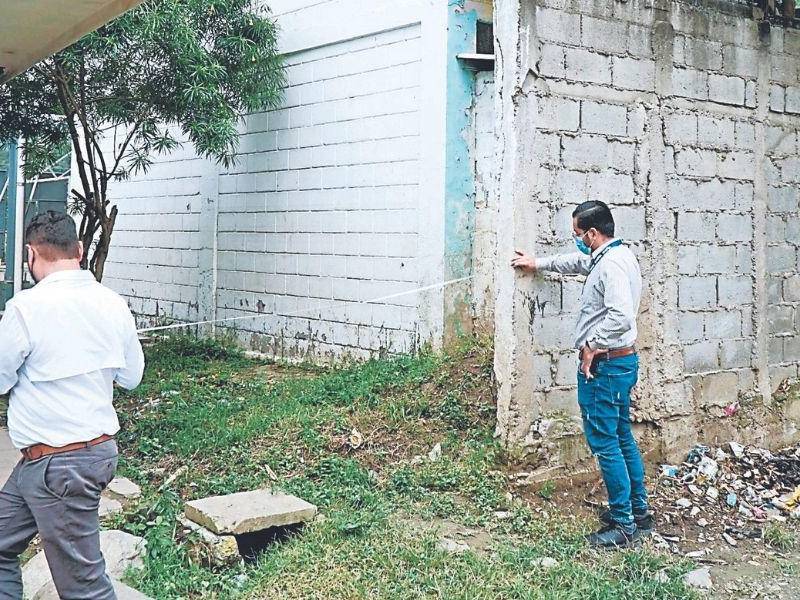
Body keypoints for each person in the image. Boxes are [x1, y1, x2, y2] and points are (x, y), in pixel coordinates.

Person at [0, 211, 144, 598]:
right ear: (79, 250)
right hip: (75, 458)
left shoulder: (25, 308)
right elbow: (132, 377)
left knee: (84, 589)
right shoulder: (113, 303)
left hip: (58, 467)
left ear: (31, 254)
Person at [511, 200, 652, 549]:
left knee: (606, 442)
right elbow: (576, 262)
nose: (576, 240)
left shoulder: (611, 268)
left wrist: (592, 345)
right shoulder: (614, 256)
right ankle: (639, 512)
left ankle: (623, 525)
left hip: (606, 367)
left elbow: (621, 316)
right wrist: (538, 263)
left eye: (578, 234)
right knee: (620, 435)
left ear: (592, 232)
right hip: (618, 364)